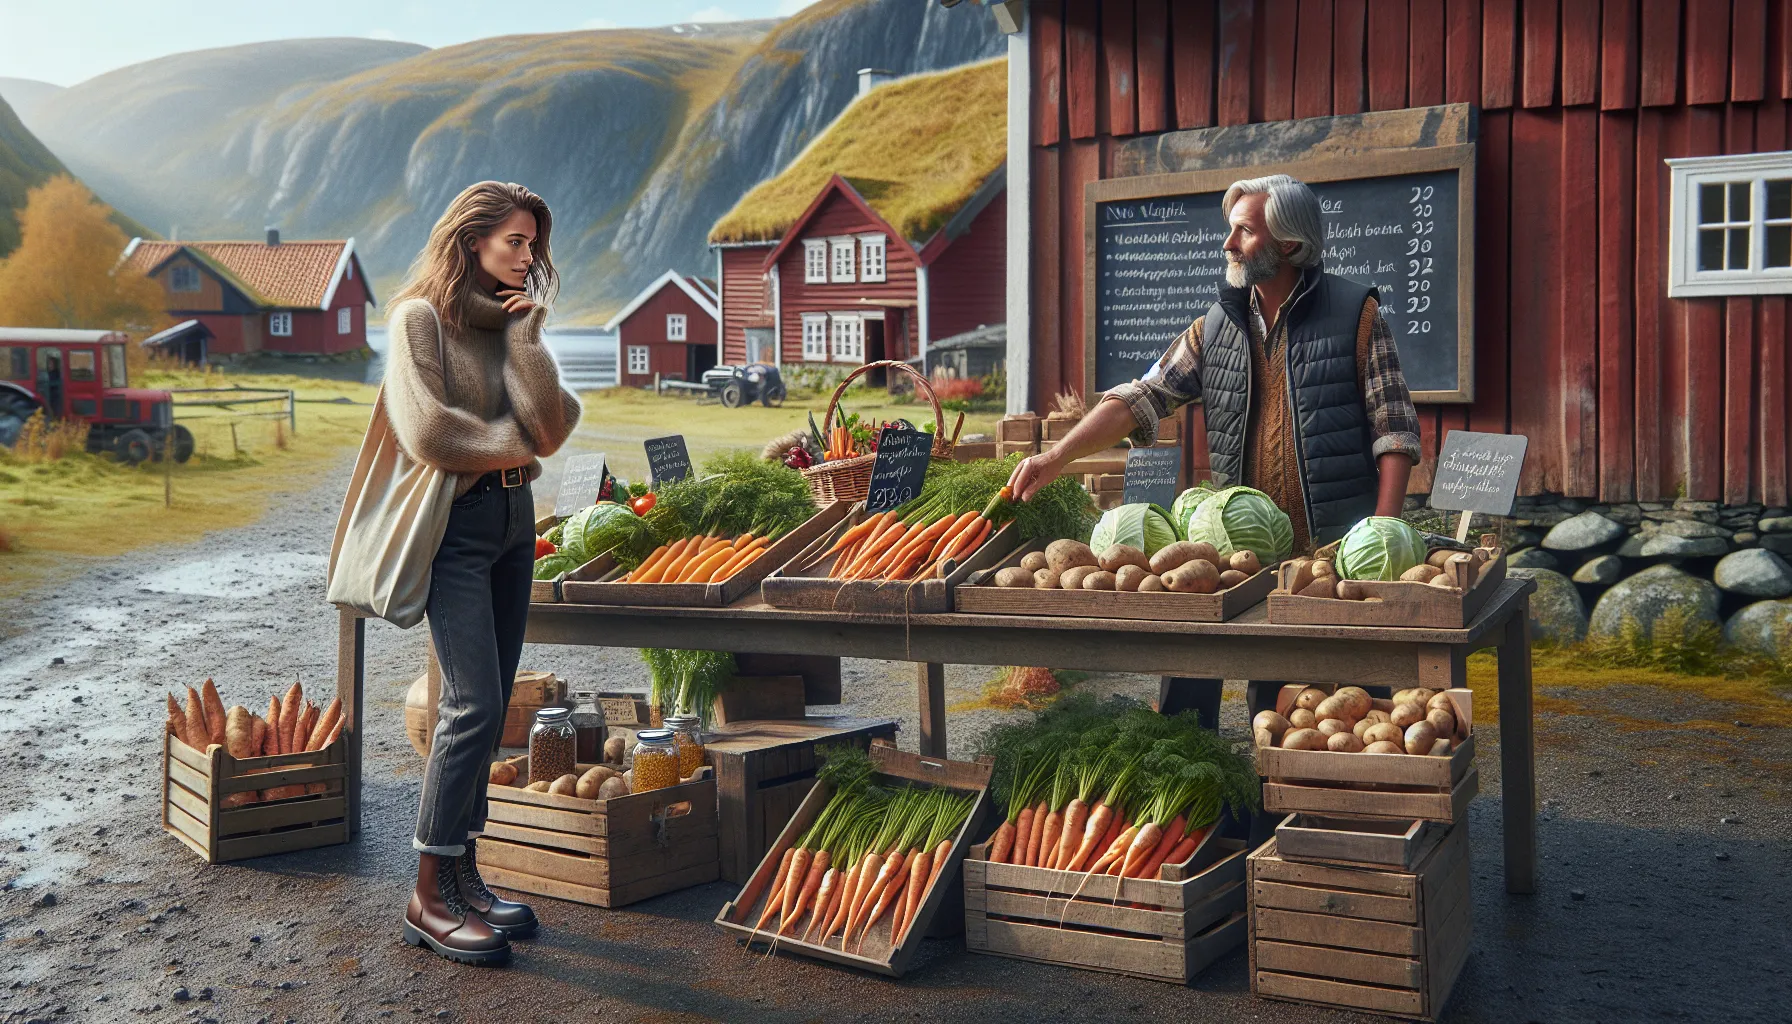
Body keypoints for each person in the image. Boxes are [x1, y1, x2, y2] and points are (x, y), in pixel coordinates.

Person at [1007, 173, 1421, 723]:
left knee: (1334, 710)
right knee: (1198, 684)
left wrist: (1381, 542)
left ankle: (1318, 804)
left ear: (1290, 244)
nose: (1227, 244)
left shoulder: (1357, 317)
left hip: (1332, 559)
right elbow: (1140, 398)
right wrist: (1058, 457)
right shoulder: (1215, 329)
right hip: (1240, 557)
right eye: (1231, 231)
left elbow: (1393, 434)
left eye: (1244, 232)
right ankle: (1209, 798)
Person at [381, 181, 581, 965]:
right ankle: (426, 896)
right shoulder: (417, 320)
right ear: (472, 241)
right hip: (456, 531)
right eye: (515, 242)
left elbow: (555, 425)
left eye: (534, 244)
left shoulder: (511, 324)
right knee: (472, 702)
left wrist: (526, 339)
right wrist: (520, 442)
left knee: (491, 706)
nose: (529, 256)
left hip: (513, 522)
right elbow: (431, 431)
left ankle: (466, 874)